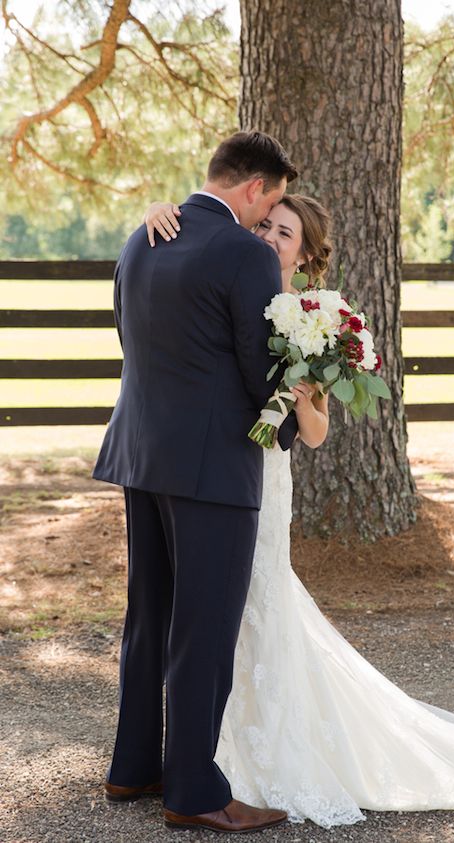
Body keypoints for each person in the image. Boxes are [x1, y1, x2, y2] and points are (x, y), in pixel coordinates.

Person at [143, 194, 454, 828]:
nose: (268, 237)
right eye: (265, 224)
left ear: (308, 256)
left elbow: (314, 434)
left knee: (258, 604)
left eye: (284, 233)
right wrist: (154, 208)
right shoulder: (238, 285)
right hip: (217, 467)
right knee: (220, 614)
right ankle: (208, 757)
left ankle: (265, 755)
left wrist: (301, 394)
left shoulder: (312, 315)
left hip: (262, 474)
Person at [93, 130, 301, 834]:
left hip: (141, 453)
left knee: (149, 615)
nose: (265, 217)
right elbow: (258, 367)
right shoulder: (246, 253)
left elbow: (129, 332)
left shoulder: (139, 239)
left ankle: (133, 767)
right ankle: (193, 788)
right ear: (254, 189)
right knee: (203, 630)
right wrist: (292, 416)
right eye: (268, 202)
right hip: (212, 466)